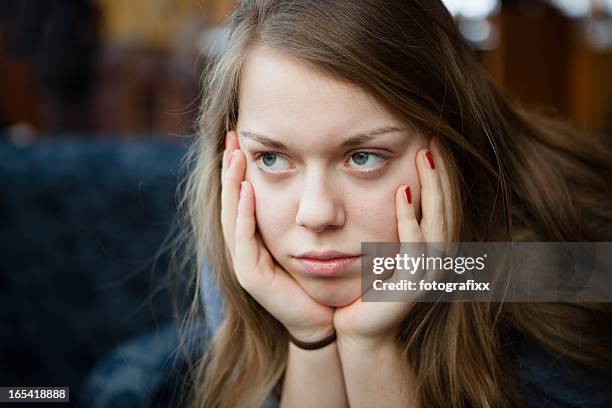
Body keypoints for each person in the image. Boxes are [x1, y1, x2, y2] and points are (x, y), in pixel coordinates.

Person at [177, 0, 612, 406]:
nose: (315, 215)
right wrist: (311, 336)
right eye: (272, 158)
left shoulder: (553, 266)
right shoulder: (251, 238)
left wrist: (370, 347)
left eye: (363, 157)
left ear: (450, 144)